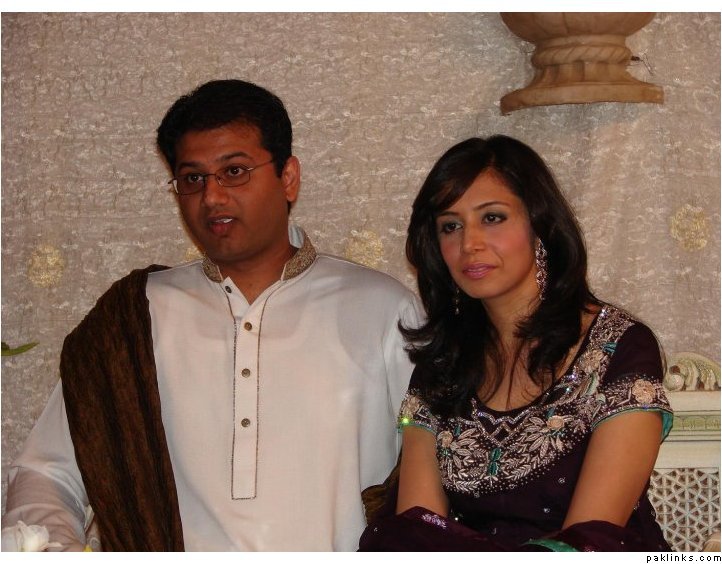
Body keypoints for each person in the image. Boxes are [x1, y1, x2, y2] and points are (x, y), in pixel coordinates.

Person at [1, 79, 421, 551]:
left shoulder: (383, 310)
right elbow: (48, 471)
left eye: (234, 171)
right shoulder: (136, 319)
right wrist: (49, 549)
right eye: (192, 179)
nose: (212, 197)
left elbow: (440, 475)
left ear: (288, 177)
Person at [359, 135, 673, 552]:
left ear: (539, 225)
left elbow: (591, 539)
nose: (469, 244)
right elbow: (418, 532)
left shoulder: (617, 348)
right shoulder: (443, 366)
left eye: (492, 218)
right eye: (450, 226)